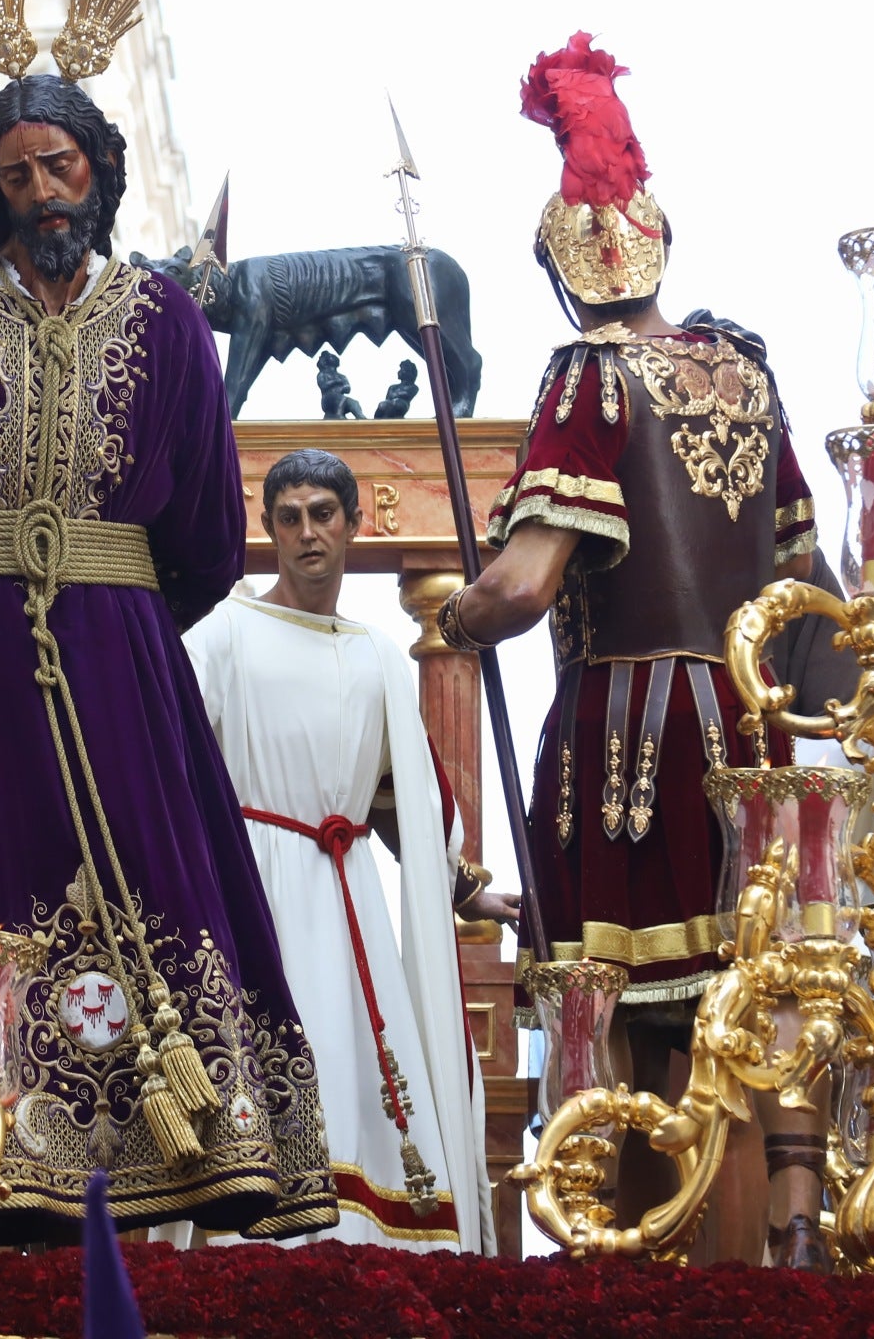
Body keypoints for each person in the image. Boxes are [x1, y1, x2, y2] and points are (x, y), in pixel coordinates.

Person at [0, 0, 335, 1241]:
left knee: (153, 882)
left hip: (116, 653)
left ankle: (177, 1144)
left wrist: (122, 623)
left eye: (63, 165)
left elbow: (208, 532)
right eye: (18, 172)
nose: (44, 188)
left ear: (100, 172)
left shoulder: (165, 323)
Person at [436, 33, 823, 1268]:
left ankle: (641, 1264)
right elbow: (804, 577)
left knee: (636, 1019)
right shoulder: (750, 377)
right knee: (752, 999)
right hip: (752, 722)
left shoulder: (589, 381)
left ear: (566, 265)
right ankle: (778, 1241)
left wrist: (458, 613)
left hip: (631, 734)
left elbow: (525, 582)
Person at [185, 448, 514, 1253]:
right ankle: (257, 1253)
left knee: (357, 1076)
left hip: (348, 896)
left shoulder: (374, 654)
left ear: (353, 526)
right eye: (289, 516)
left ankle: (363, 1263)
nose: (308, 533)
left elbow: (410, 798)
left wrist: (464, 890)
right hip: (253, 893)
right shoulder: (222, 634)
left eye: (323, 514)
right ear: (268, 529)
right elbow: (175, 776)